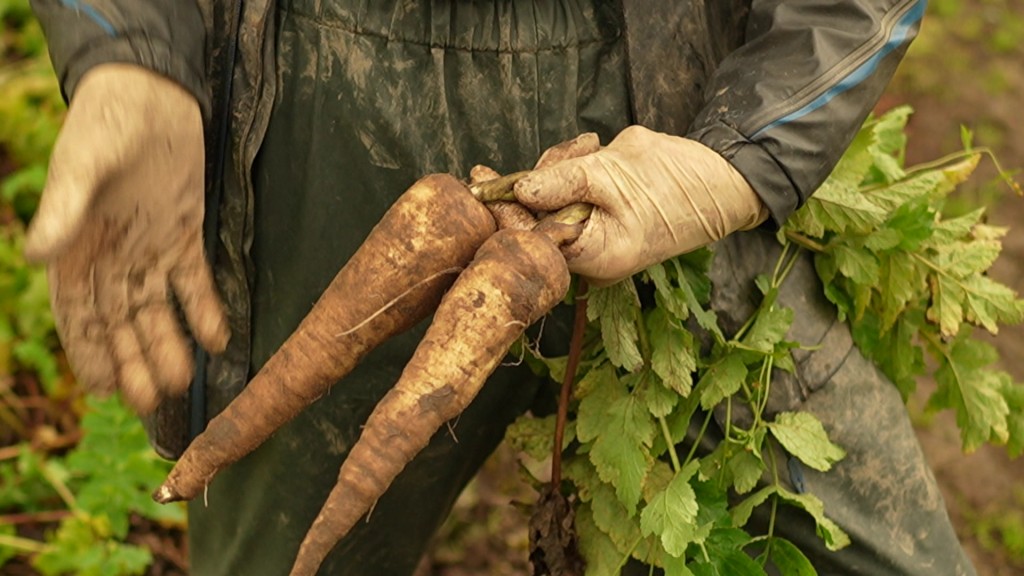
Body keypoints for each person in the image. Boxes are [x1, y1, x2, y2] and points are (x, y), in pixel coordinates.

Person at [26, 1, 976, 574]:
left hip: (672, 110)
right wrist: (127, 45)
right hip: (330, 103)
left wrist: (744, 157)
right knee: (294, 543)